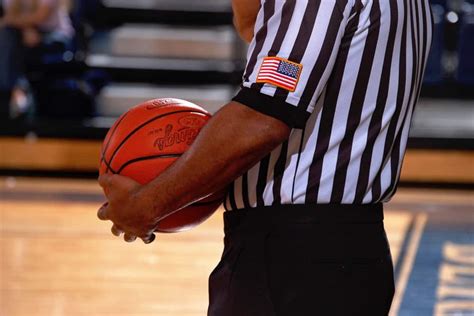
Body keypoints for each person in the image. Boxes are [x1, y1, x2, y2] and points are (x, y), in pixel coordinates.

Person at [97, 0, 433, 314]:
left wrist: (148, 204)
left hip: (296, 259)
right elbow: (253, 27)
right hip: (344, 248)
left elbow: (262, 119)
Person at [0, 0, 74, 118]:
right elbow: (11, 14)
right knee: (7, 38)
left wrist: (20, 25)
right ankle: (15, 91)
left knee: (15, 48)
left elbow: (41, 17)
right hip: (23, 34)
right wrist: (26, 29)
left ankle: (15, 91)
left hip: (54, 35)